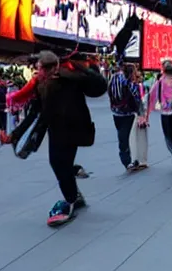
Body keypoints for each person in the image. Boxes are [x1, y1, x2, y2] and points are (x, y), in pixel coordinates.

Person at [7, 50, 107, 226]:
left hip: (73, 129)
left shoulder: (71, 79)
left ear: (53, 68)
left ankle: (70, 201)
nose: (38, 73)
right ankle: (74, 196)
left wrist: (79, 68)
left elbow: (99, 87)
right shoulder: (41, 85)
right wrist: (14, 134)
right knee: (58, 164)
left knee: (61, 164)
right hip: (55, 130)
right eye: (37, 68)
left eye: (41, 69)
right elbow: (34, 113)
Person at [108, 63, 144, 172]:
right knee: (126, 137)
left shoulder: (114, 78)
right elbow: (137, 100)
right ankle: (128, 161)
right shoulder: (132, 85)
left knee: (122, 135)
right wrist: (141, 113)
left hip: (115, 112)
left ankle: (129, 160)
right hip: (128, 114)